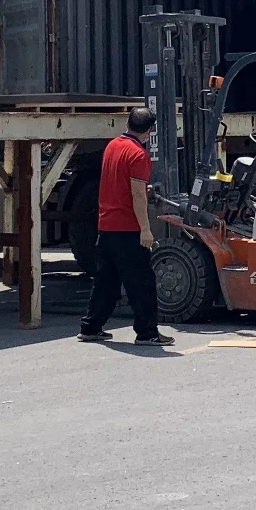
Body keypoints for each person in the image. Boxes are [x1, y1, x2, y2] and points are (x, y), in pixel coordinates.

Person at [79, 107, 176, 347]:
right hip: (128, 227)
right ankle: (147, 332)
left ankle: (91, 327)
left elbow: (119, 182)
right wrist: (145, 229)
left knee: (106, 281)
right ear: (150, 130)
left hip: (106, 225)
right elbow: (137, 196)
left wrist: (142, 188)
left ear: (128, 123)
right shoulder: (138, 155)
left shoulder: (112, 146)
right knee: (142, 282)